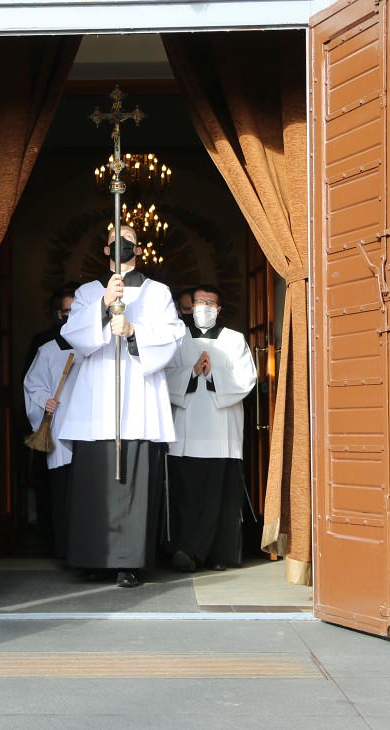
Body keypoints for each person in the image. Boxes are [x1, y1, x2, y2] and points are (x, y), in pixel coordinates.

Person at [59, 224, 184, 587]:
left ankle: (130, 561)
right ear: (106, 249)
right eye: (116, 240)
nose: (123, 244)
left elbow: (174, 336)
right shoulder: (88, 291)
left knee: (133, 482)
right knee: (95, 481)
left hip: (139, 395)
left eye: (129, 240)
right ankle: (93, 557)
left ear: (139, 249)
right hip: (97, 397)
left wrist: (132, 332)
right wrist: (103, 304)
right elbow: (73, 335)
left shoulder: (157, 292)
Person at [165, 285, 256, 573]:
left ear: (219, 309)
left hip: (221, 432)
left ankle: (218, 553)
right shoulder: (176, 338)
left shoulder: (234, 339)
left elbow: (247, 380)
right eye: (199, 302)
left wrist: (213, 373)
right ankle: (184, 551)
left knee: (220, 496)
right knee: (187, 496)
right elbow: (162, 377)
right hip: (185, 432)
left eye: (210, 303)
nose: (204, 307)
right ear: (190, 306)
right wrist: (191, 372)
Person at [23, 292, 84, 558]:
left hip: (89, 428)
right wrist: (43, 401)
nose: (73, 316)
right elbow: (32, 385)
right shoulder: (47, 351)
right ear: (60, 314)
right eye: (68, 311)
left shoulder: (94, 349)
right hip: (59, 426)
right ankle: (66, 551)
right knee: (62, 492)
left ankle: (88, 551)